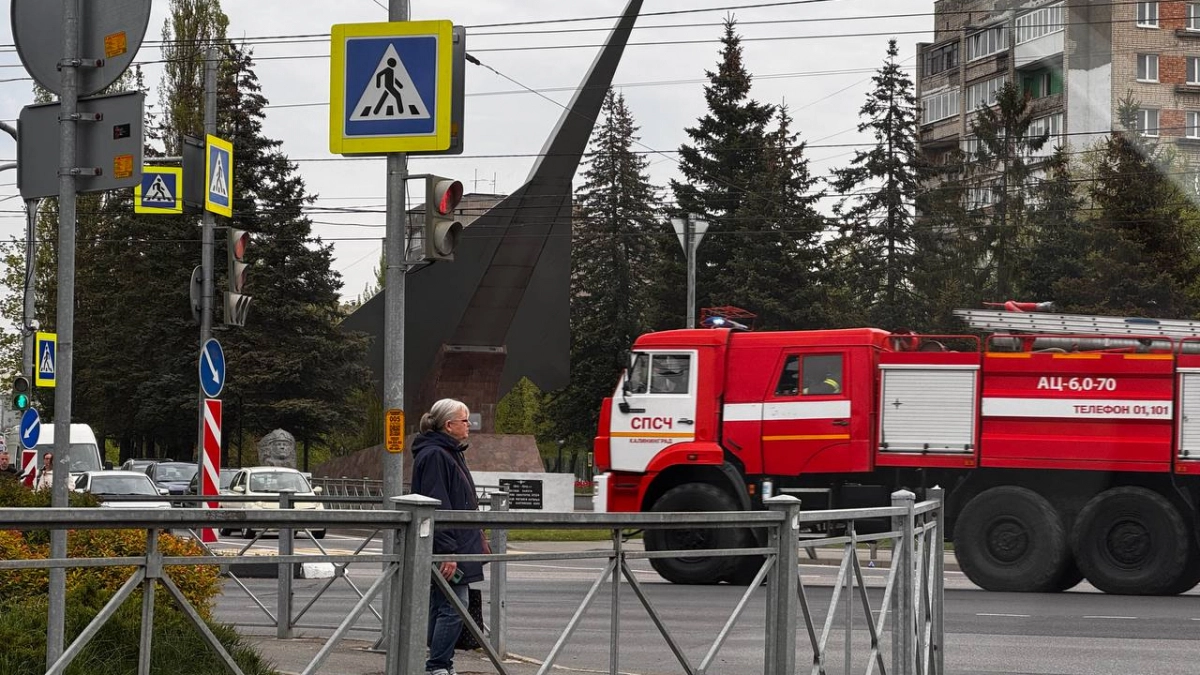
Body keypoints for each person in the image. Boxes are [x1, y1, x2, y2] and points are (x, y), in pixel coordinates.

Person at [411, 398, 486, 675]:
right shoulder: (436, 455)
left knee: (444, 605)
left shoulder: (449, 452)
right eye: (464, 421)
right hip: (447, 545)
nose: (469, 425)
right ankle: (438, 666)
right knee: (455, 607)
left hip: (455, 541)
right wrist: (446, 551)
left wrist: (477, 535)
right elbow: (437, 503)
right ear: (448, 425)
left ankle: (438, 665)